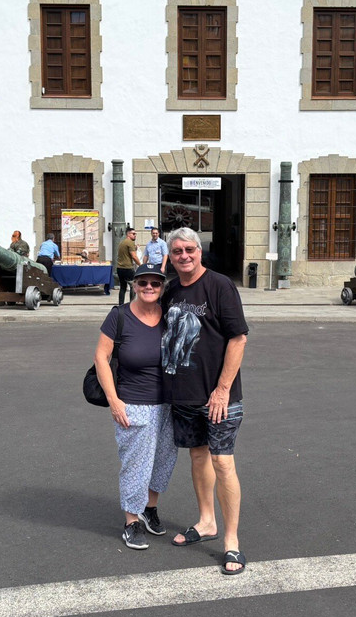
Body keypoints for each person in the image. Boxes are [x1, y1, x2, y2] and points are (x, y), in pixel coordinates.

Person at [161, 227, 249, 575]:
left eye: (189, 250)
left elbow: (238, 338)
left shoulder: (219, 285)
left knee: (223, 462)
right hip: (184, 394)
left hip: (219, 398)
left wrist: (223, 389)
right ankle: (206, 522)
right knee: (198, 457)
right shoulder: (170, 291)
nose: (184, 256)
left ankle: (231, 542)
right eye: (178, 251)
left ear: (200, 252)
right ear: (171, 255)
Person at [94, 263, 178, 550]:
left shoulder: (169, 316)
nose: (149, 287)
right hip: (133, 401)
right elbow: (101, 358)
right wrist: (114, 401)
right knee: (136, 464)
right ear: (135, 285)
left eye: (155, 283)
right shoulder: (120, 316)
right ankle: (132, 520)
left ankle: (150, 508)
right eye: (143, 282)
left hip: (169, 402)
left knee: (163, 460)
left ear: (163, 287)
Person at [115, 226, 141, 305]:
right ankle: (132, 305)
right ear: (128, 234)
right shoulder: (130, 243)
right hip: (128, 268)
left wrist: (135, 248)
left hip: (120, 268)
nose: (135, 235)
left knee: (123, 288)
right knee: (133, 286)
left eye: (135, 234)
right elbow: (134, 256)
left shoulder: (122, 242)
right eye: (133, 234)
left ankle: (121, 305)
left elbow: (126, 253)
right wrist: (140, 264)